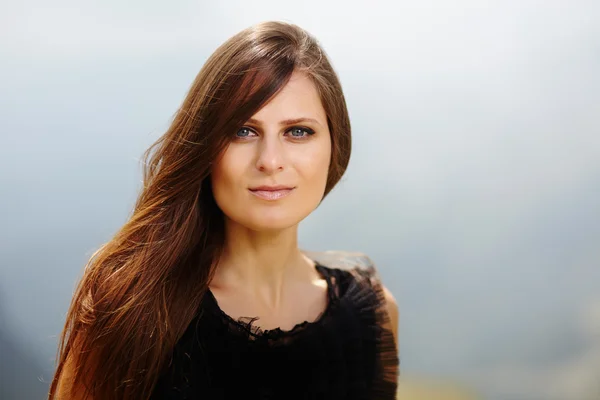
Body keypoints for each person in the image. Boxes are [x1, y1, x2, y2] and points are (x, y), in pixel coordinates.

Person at [49, 20, 399, 400]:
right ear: (204, 148)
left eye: (298, 131)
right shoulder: (133, 307)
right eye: (243, 131)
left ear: (335, 144)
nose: (270, 160)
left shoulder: (372, 317)